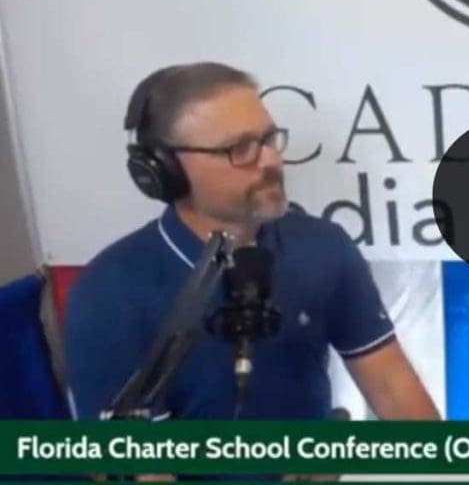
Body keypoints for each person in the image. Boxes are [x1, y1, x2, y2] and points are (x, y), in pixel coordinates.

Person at [64, 62, 439, 425]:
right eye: (240, 148)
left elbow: (391, 385)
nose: (272, 160)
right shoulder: (109, 294)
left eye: (269, 139)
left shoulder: (323, 247)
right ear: (167, 169)